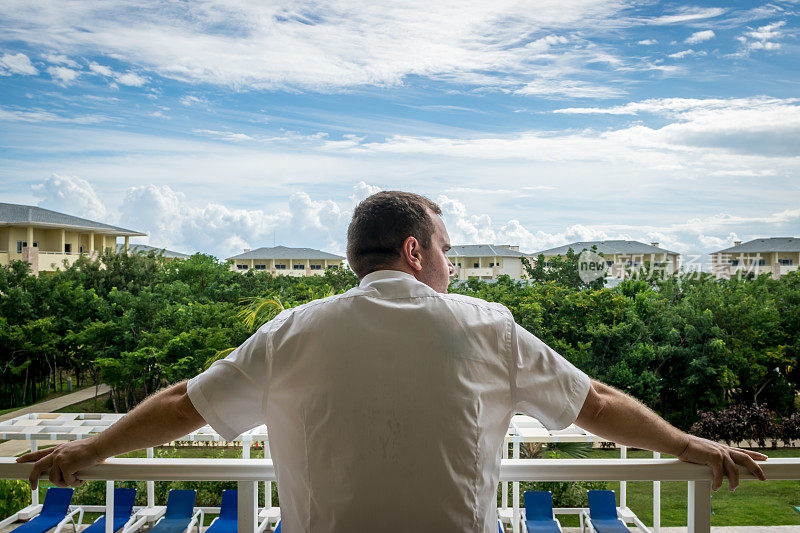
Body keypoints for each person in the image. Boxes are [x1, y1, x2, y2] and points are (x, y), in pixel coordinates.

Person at [19, 191, 767, 532]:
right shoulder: (486, 325)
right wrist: (685, 443)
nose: (452, 263)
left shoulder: (291, 330)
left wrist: (90, 448)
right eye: (446, 248)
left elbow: (186, 402)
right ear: (415, 251)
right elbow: (594, 402)